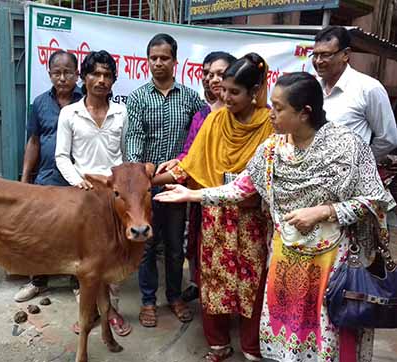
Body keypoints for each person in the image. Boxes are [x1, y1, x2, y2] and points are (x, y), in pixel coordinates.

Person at [155, 72, 395, 362]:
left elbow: (374, 200)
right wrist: (192, 195)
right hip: (286, 260)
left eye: (279, 108)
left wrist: (325, 211)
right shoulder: (273, 149)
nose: (271, 114)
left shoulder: (349, 146)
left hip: (331, 264)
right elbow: (241, 188)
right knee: (289, 335)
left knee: (327, 335)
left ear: (304, 112)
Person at [153, 53, 272, 362]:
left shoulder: (270, 126)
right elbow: (189, 165)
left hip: (251, 220)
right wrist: (149, 180)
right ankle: (217, 344)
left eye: (235, 92)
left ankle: (251, 346)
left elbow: (266, 180)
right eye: (223, 90)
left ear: (255, 91)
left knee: (251, 284)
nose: (225, 97)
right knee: (214, 282)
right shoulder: (216, 120)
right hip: (215, 216)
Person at [125, 33, 206, 328]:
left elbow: (198, 139)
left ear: (175, 61)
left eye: (164, 58)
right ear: (147, 61)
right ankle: (148, 301)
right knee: (146, 247)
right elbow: (133, 140)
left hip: (176, 188)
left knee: (174, 246)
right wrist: (140, 175)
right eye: (153, 58)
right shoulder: (137, 97)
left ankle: (174, 295)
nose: (158, 63)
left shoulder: (189, 97)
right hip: (145, 191)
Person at [55, 50, 131, 337]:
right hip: (83, 197)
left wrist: (122, 187)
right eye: (95, 74)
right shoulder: (69, 113)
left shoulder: (121, 112)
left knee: (115, 256)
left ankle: (112, 311)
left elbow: (126, 155)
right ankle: (88, 313)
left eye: (107, 75)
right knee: (85, 260)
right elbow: (62, 157)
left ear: (113, 81)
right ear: (83, 78)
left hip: (115, 198)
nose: (101, 80)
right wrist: (78, 181)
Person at [157, 51, 237, 303]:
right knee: (199, 246)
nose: (213, 79)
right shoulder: (203, 115)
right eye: (209, 74)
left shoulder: (254, 116)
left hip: (238, 199)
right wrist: (179, 161)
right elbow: (191, 153)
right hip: (201, 193)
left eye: (221, 74)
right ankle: (203, 293)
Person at [14, 50, 82, 303]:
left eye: (67, 72)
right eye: (57, 73)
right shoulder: (40, 103)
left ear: (77, 74)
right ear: (49, 74)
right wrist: (24, 181)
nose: (62, 78)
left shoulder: (85, 102)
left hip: (77, 180)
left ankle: (78, 282)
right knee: (41, 232)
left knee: (76, 233)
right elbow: (33, 141)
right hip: (46, 179)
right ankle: (38, 281)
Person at [312, 25, 397, 161]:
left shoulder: (369, 88)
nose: (318, 61)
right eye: (315, 55)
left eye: (325, 55)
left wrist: (359, 164)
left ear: (345, 54)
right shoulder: (312, 87)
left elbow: (388, 139)